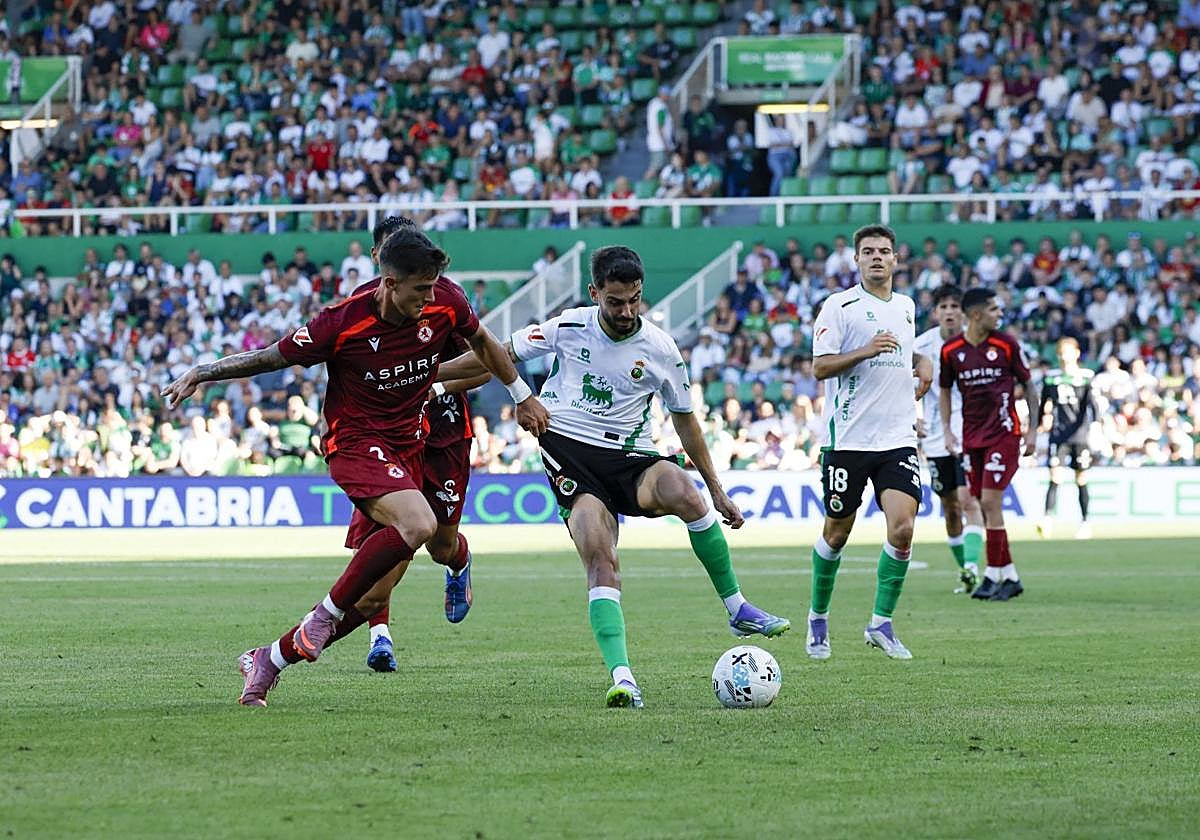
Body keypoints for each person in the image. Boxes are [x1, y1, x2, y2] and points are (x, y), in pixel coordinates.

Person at [163, 225, 550, 707]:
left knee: (370, 598)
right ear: (388, 282)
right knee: (418, 523)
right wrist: (203, 371)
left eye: (433, 287)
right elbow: (269, 357)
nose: (429, 298)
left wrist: (522, 395)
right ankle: (323, 615)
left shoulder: (445, 300)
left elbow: (486, 344)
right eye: (419, 290)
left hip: (413, 444)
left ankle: (270, 659)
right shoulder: (341, 321)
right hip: (356, 443)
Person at [437, 246, 789, 709]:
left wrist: (718, 488)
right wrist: (430, 379)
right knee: (601, 560)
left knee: (687, 493)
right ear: (594, 293)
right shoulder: (568, 327)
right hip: (570, 458)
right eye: (615, 301)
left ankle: (737, 607)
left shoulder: (661, 349)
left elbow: (685, 420)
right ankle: (623, 677)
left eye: (634, 301)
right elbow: (496, 356)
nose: (626, 312)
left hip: (630, 456)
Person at [354, 217, 494, 673]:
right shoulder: (358, 310)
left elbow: (483, 366)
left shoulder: (442, 302)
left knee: (439, 543)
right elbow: (344, 379)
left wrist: (428, 383)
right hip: (386, 436)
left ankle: (460, 560)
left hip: (445, 433)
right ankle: (380, 638)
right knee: (383, 539)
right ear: (378, 258)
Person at [805, 224, 933, 662]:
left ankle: (880, 622)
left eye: (884, 251)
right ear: (856, 260)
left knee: (903, 528)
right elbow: (821, 367)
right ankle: (818, 617)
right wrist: (865, 350)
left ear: (896, 259)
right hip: (848, 440)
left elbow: (901, 349)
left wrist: (923, 360)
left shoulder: (907, 306)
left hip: (897, 437)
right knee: (837, 533)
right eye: (868, 252)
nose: (877, 257)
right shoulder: (839, 306)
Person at [939, 287, 1036, 602]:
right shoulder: (951, 350)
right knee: (982, 503)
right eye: (994, 310)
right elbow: (943, 390)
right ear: (977, 315)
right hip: (971, 438)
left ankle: (993, 574)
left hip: (1004, 435)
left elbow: (1029, 386)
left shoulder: (1006, 345)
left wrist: (1033, 430)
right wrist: (946, 429)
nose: (1000, 315)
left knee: (991, 503)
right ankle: (1009, 574)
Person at [913, 286, 984, 593]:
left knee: (970, 501)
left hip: (971, 432)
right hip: (935, 437)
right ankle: (965, 570)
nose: (951, 311)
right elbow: (904, 385)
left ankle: (971, 566)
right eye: (945, 306)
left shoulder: (978, 342)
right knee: (951, 507)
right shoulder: (921, 346)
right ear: (936, 312)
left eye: (956, 305)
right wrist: (912, 415)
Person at [1037, 337, 1100, 540]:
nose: (1064, 356)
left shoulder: (1085, 377)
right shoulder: (1051, 379)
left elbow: (1093, 404)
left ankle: (1084, 522)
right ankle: (1047, 519)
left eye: (1068, 352)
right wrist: (1040, 422)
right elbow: (1043, 405)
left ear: (1077, 353)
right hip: (1058, 435)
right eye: (1061, 352)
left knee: (1080, 477)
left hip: (1079, 435)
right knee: (1055, 476)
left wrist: (1096, 426)